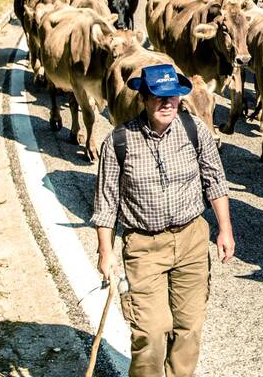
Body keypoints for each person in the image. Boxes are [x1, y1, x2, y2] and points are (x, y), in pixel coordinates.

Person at [92, 64, 234, 377]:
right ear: (143, 97)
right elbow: (106, 204)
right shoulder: (118, 142)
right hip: (144, 247)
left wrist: (225, 229)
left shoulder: (195, 130)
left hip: (191, 240)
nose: (167, 103)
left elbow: (215, 180)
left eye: (173, 96)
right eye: (158, 96)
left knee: (188, 328)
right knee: (151, 332)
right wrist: (105, 253)